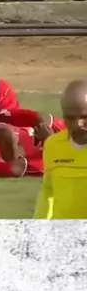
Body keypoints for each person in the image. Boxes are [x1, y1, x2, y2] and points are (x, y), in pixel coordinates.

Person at [34, 80, 87, 218]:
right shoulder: (53, 144)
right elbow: (48, 190)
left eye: (84, 117)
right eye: (70, 118)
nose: (78, 124)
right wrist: (38, 225)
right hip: (63, 230)